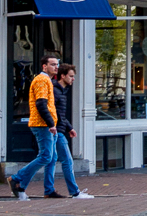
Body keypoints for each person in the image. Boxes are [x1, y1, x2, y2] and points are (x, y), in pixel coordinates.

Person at [7, 54, 62, 201]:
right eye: (52, 64)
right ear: (44, 66)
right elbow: (41, 104)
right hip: (42, 124)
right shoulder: (42, 80)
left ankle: (42, 190)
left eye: (57, 64)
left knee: (51, 158)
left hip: (47, 124)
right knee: (45, 156)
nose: (56, 67)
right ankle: (16, 178)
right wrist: (51, 124)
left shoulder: (47, 80)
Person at [52, 64, 93, 200]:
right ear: (62, 76)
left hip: (58, 129)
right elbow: (56, 114)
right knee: (67, 160)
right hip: (56, 130)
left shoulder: (61, 91)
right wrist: (64, 127)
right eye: (71, 76)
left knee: (49, 160)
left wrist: (69, 127)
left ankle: (48, 190)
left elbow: (60, 115)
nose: (73, 79)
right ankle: (74, 192)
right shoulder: (56, 92)